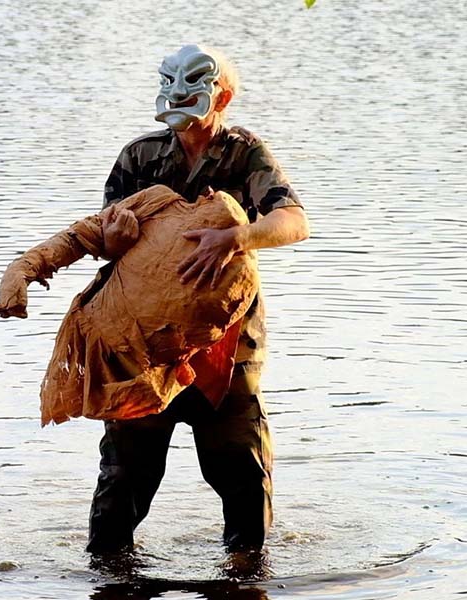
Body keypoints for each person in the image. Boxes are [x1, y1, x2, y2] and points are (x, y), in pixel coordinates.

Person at [87, 45, 310, 557]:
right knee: (123, 474)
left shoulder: (245, 152)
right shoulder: (139, 156)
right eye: (170, 83)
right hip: (144, 342)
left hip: (225, 341)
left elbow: (294, 221)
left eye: (195, 87)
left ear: (222, 95)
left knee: (241, 472)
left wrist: (238, 238)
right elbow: (101, 236)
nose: (179, 97)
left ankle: (247, 570)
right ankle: (108, 576)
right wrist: (114, 240)